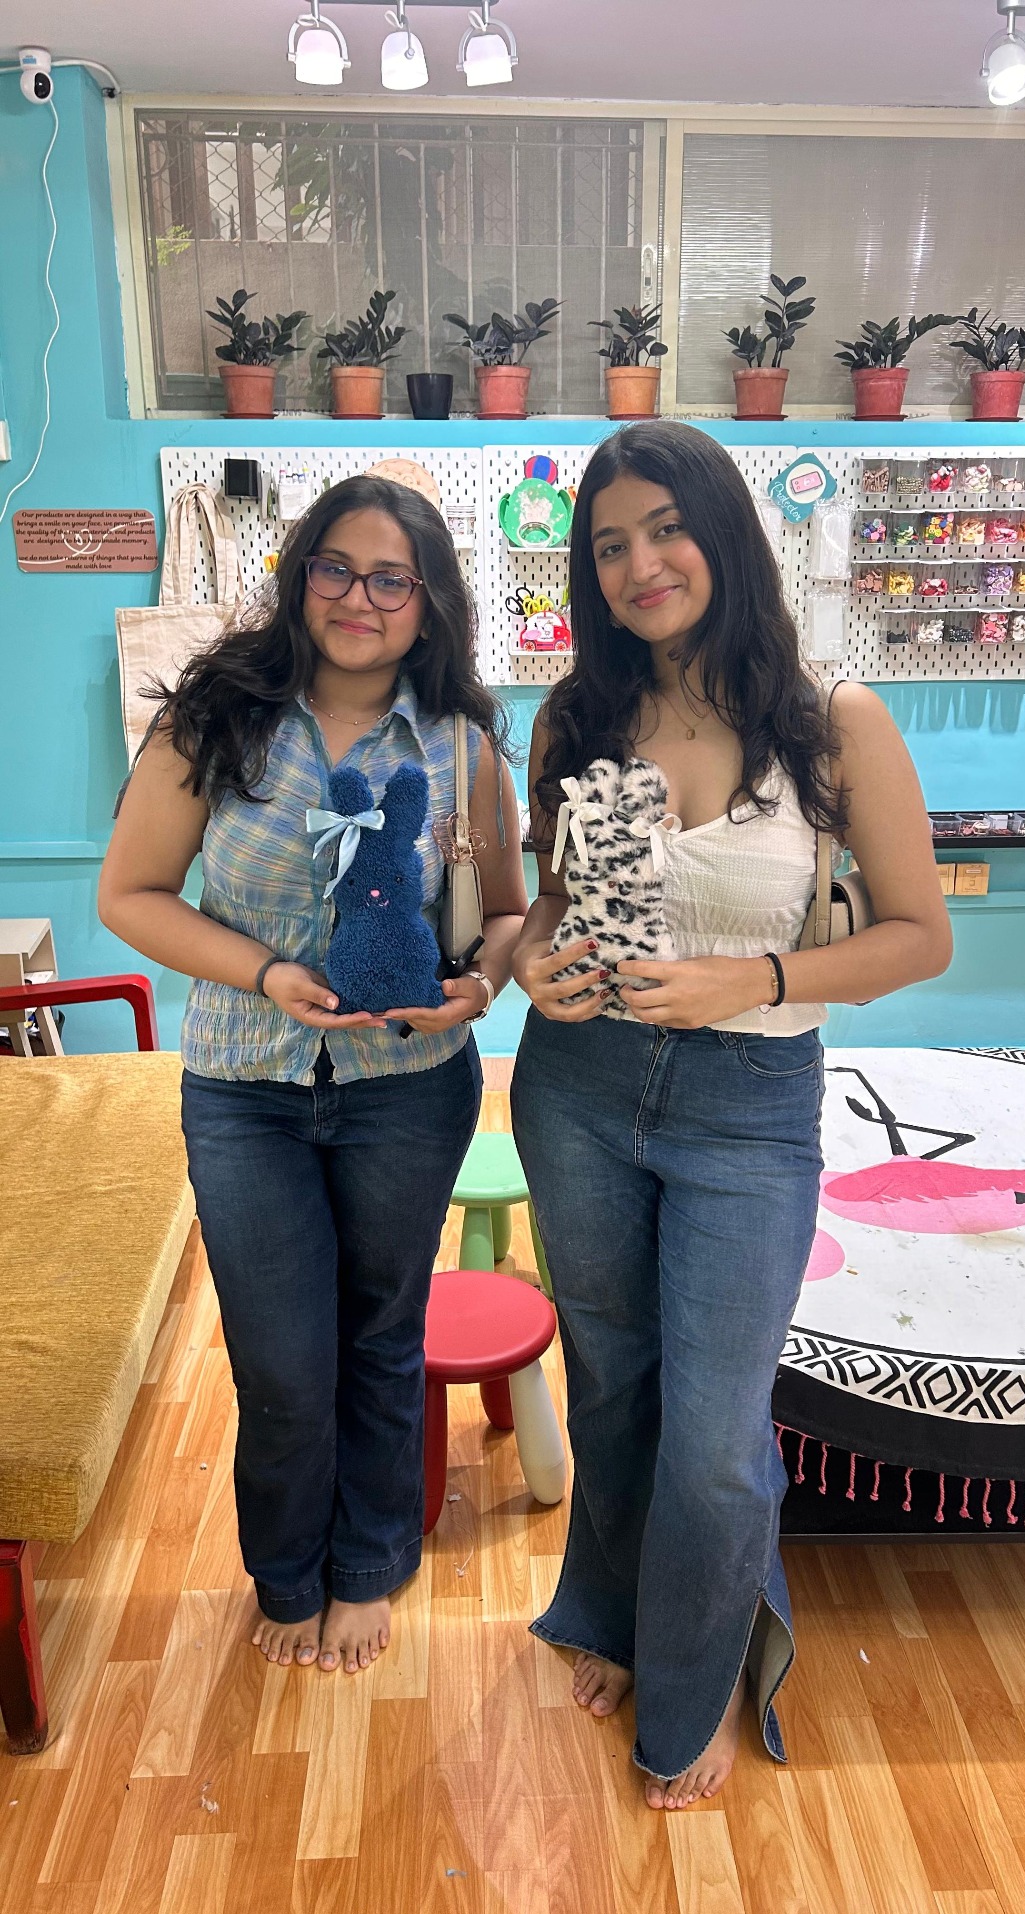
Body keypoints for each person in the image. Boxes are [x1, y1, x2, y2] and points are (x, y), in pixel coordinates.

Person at [510, 422, 951, 1812]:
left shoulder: (832, 723)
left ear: (725, 533)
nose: (640, 564)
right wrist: (529, 962)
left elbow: (918, 937)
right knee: (613, 1385)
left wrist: (751, 978)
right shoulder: (575, 717)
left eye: (665, 528)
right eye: (609, 545)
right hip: (576, 1088)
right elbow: (547, 906)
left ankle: (696, 1683)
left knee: (714, 1434)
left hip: (750, 1108)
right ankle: (608, 1612)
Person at [100, 475, 527, 1677]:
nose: (359, 598)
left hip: (410, 1083)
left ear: (429, 603)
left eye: (393, 579)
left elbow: (503, 914)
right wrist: (266, 972)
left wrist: (482, 986)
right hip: (247, 1087)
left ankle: (368, 1566)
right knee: (282, 1361)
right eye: (337, 567)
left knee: (383, 1334)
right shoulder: (216, 723)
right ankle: (287, 1573)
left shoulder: (459, 746)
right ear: (300, 575)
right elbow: (129, 895)